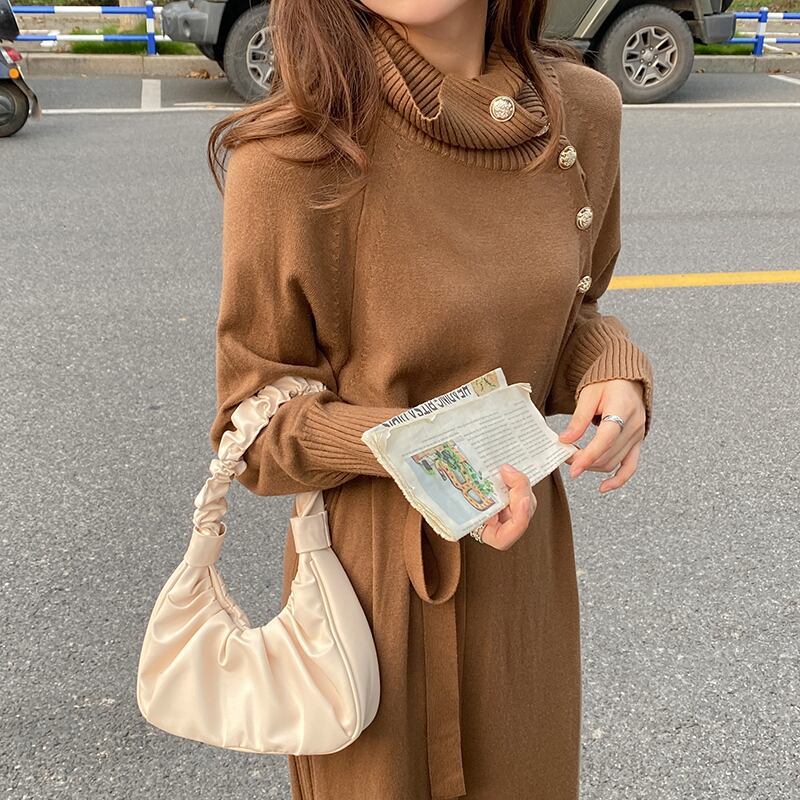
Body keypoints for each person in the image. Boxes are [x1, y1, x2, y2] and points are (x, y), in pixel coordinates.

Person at [206, 1, 654, 798]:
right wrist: (436, 451)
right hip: (372, 582)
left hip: (524, 576)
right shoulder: (291, 152)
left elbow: (569, 312)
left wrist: (611, 366)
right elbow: (255, 425)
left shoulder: (584, 112)